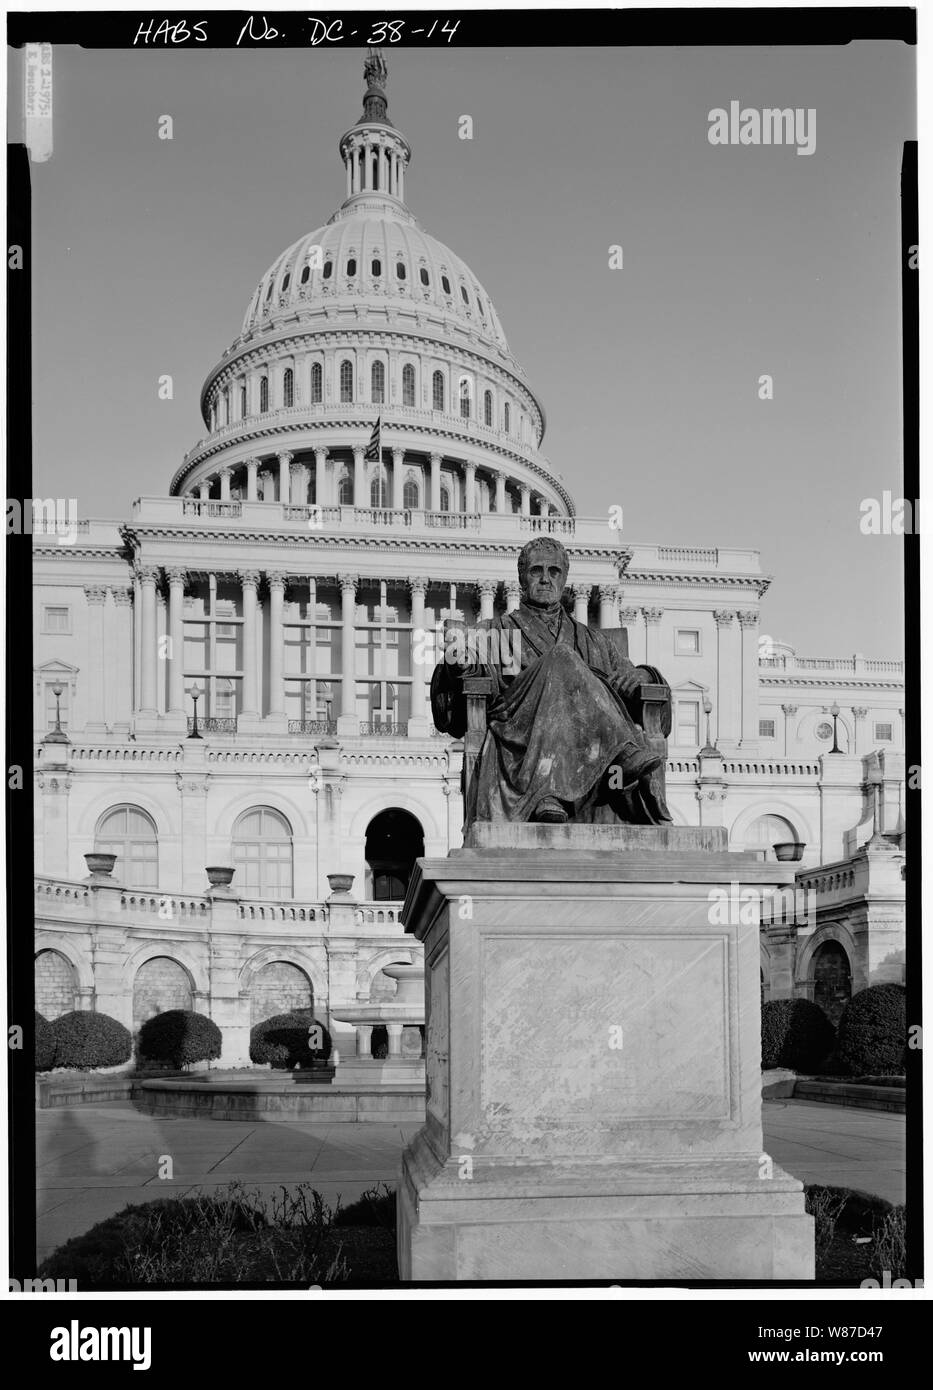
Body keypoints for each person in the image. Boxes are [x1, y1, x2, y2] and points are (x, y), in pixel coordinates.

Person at [433, 536, 669, 824]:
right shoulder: (495, 631)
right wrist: (458, 664)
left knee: (564, 657)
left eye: (554, 571)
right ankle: (621, 754)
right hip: (521, 739)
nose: (545, 579)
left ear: (564, 579)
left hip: (594, 757)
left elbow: (630, 676)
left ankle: (556, 791)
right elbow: (465, 683)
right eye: (536, 571)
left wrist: (644, 675)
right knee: (561, 657)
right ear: (522, 579)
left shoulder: (595, 641)